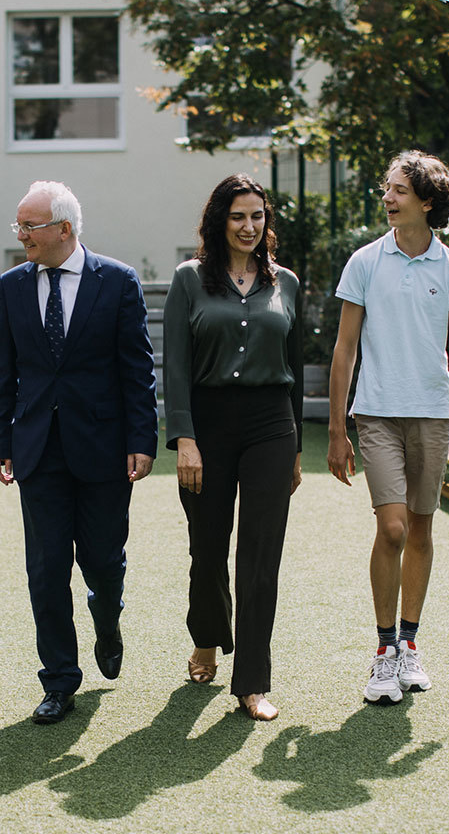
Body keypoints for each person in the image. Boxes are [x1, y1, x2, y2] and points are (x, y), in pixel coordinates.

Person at [0, 180, 158, 725]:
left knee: (103, 563)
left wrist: (142, 440)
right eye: (18, 225)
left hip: (104, 449)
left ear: (64, 229)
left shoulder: (119, 282)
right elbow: (3, 370)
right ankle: (59, 679)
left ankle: (108, 621)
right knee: (46, 569)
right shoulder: (12, 286)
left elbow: (138, 370)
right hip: (37, 451)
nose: (21, 235)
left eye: (29, 226)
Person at [326, 150, 449, 704]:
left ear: (427, 202)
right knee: (391, 528)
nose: (387, 198)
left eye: (398, 190)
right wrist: (336, 429)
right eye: (385, 188)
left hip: (434, 416)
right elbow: (344, 349)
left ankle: (410, 645)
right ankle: (384, 651)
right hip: (376, 415)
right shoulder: (364, 262)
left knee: (420, 530)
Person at [164, 173, 304, 722]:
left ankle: (252, 680)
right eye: (238, 216)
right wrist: (186, 439)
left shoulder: (286, 283)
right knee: (207, 549)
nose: (249, 227)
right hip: (209, 424)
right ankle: (207, 635)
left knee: (260, 557)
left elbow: (293, 368)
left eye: (258, 216)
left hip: (272, 426)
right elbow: (175, 366)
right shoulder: (189, 280)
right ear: (219, 221)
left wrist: (294, 448)